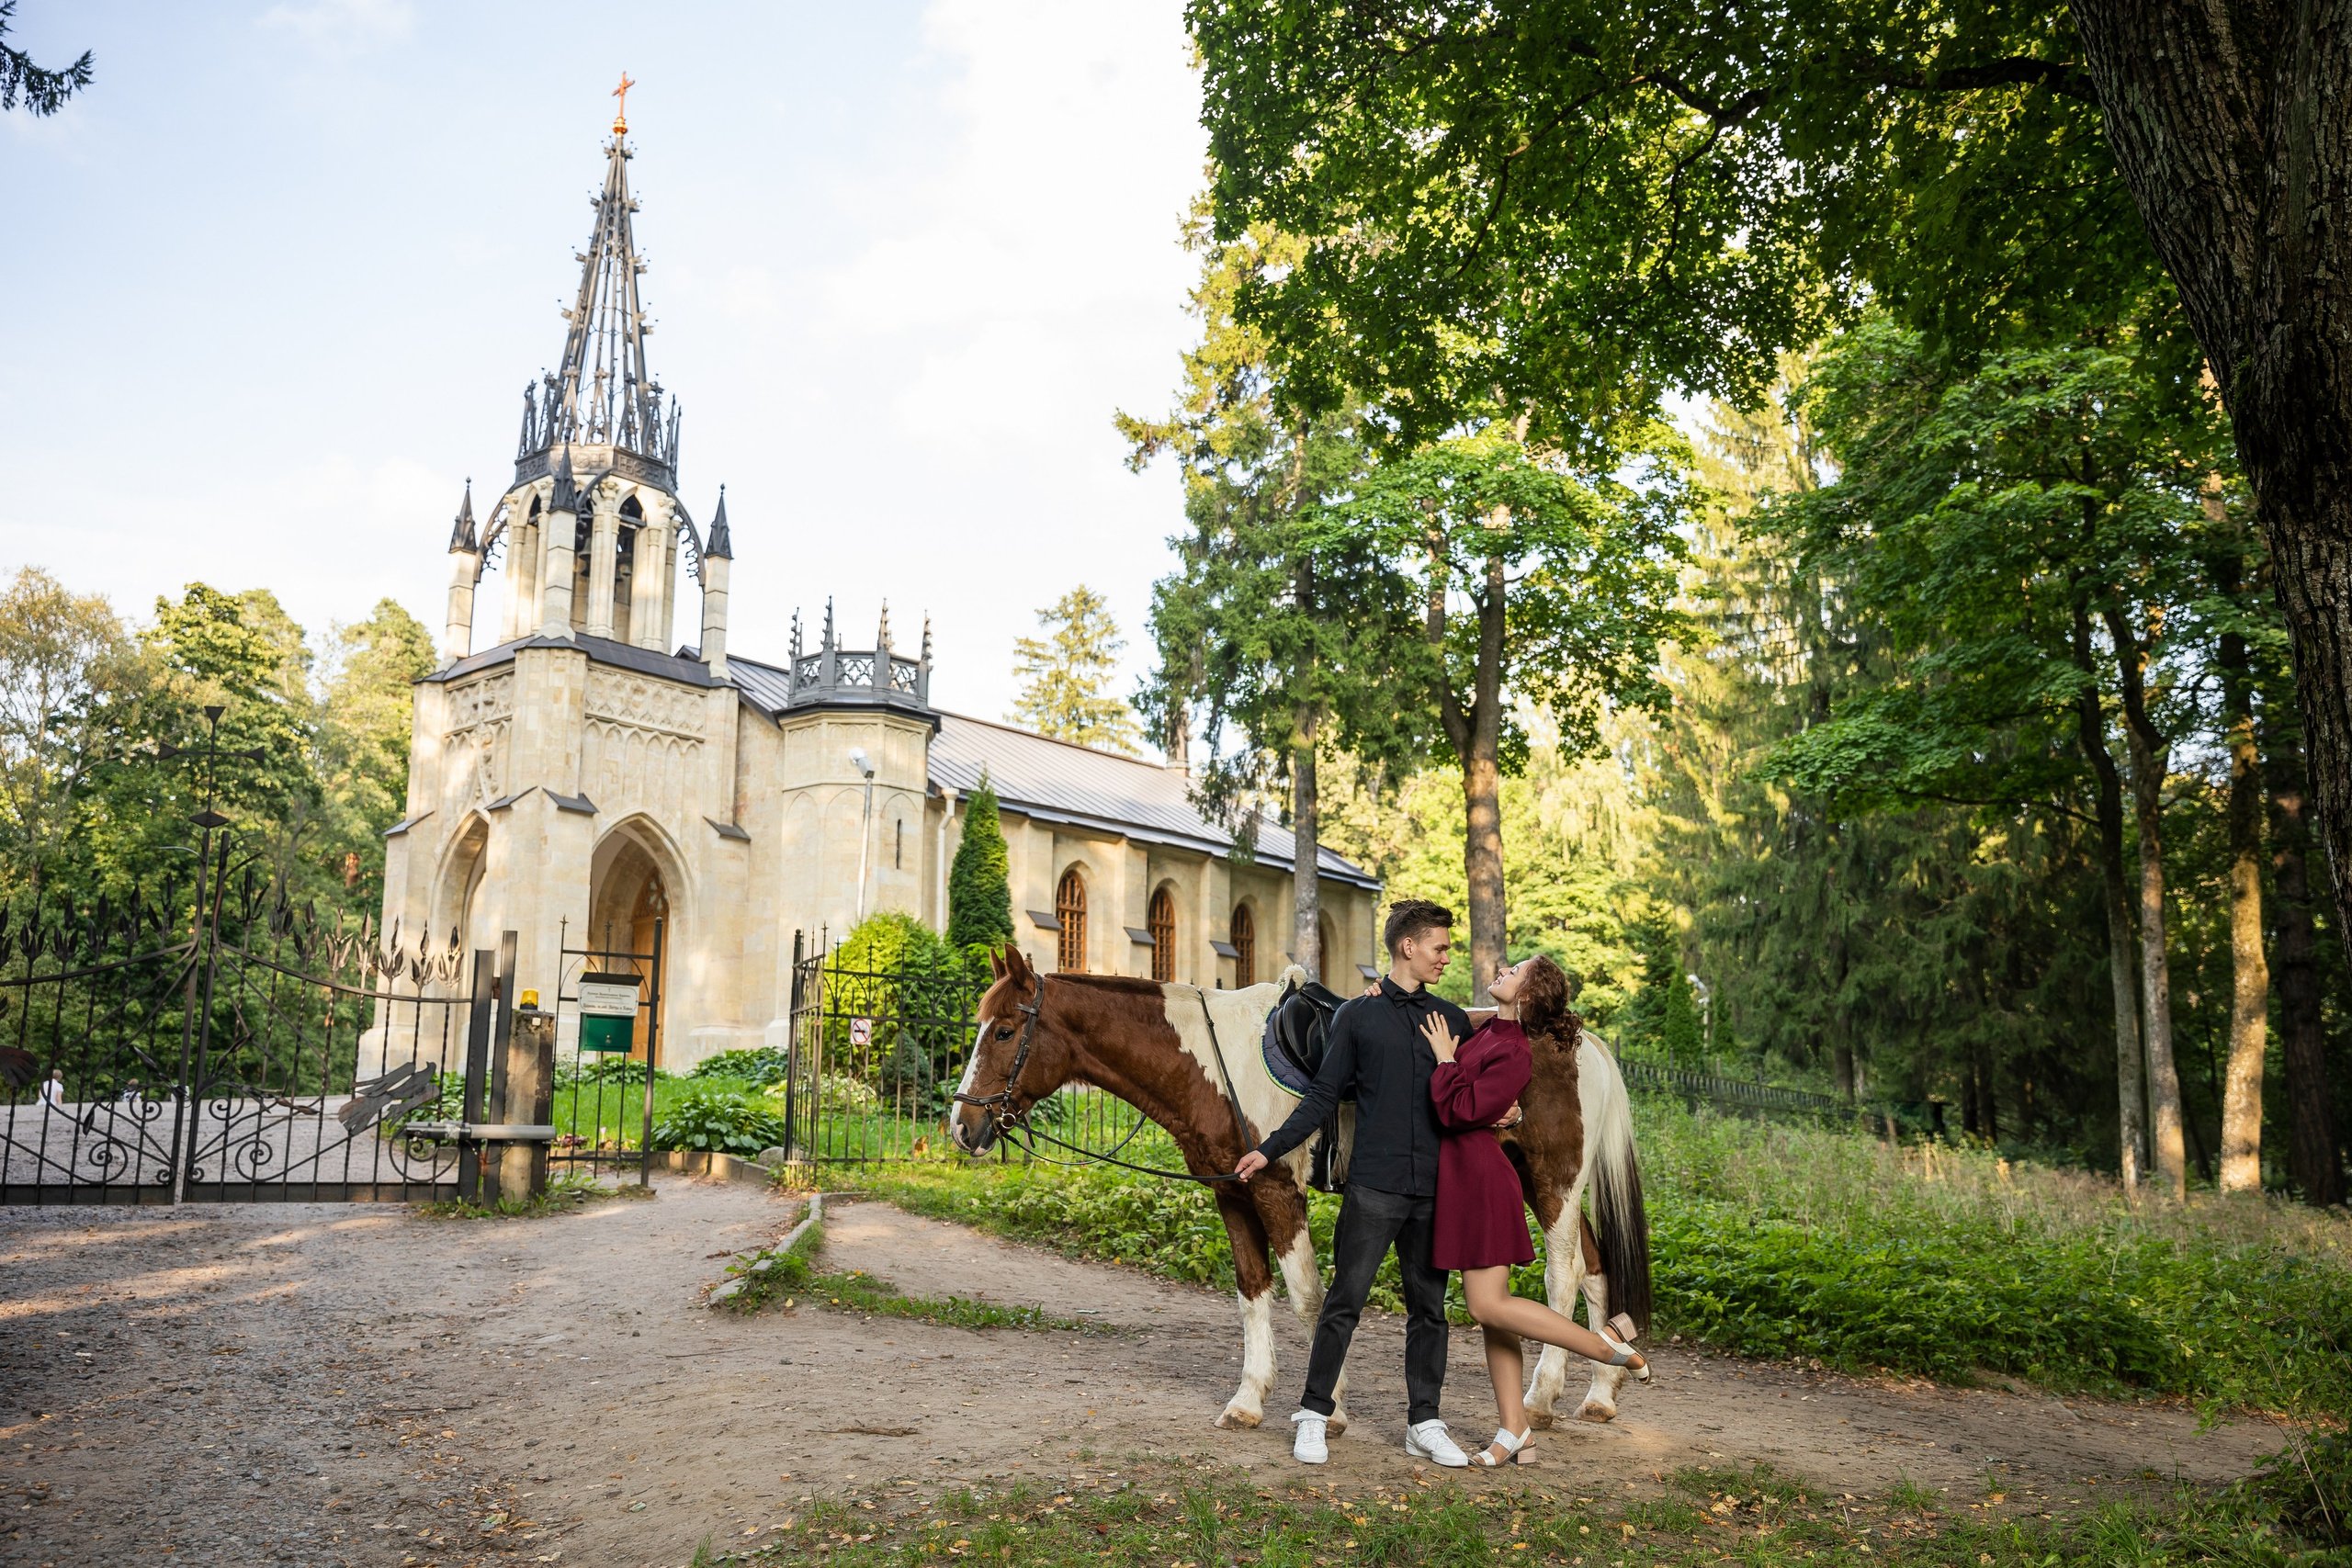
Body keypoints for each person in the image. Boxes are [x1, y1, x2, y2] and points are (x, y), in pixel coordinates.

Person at [1235, 898, 1473, 1468]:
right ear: (1407, 946)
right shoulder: (1358, 1017)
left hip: (1435, 1188)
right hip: (1373, 1186)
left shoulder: (1454, 1019)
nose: (1446, 956)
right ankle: (1313, 1415)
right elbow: (1321, 1097)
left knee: (1431, 1311)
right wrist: (1267, 1151)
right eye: (1439, 946)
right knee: (1344, 1302)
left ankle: (1426, 1422)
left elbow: (1471, 1095)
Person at [1424, 953, 1648, 1467]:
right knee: (1490, 1316)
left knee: (1488, 1307)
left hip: (1483, 1181)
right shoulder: (1487, 1033)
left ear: (1525, 995)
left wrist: (1444, 1062)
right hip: (1464, 1181)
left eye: (1515, 971)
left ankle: (1607, 1346)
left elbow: (1456, 1109)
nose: (1503, 968)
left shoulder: (1514, 1050)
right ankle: (1515, 1428)